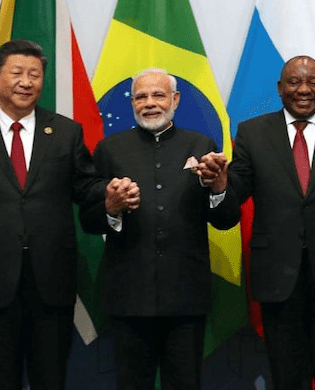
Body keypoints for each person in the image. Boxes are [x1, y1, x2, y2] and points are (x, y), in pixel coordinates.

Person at [0, 39, 104, 389]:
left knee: (51, 378)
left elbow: (87, 189)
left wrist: (112, 195)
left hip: (52, 277)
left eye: (35, 74)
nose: (26, 82)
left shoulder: (66, 132)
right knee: (2, 379)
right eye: (17, 73)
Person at [79, 68, 239, 390]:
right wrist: (111, 207)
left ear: (175, 100)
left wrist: (220, 186)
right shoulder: (109, 149)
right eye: (141, 97)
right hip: (128, 298)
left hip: (186, 297)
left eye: (158, 95)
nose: (149, 103)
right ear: (132, 103)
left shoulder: (201, 144)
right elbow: (87, 220)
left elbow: (226, 220)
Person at [225, 55, 315, 390]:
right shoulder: (252, 133)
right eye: (294, 82)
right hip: (277, 276)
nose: (304, 89)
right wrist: (218, 186)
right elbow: (233, 199)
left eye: (313, 82)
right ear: (279, 88)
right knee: (287, 376)